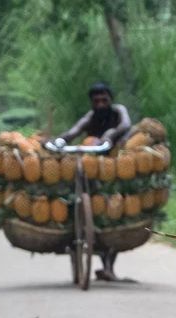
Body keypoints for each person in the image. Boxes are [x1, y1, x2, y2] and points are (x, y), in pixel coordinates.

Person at [49, 82, 136, 281]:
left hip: (113, 168)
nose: (100, 104)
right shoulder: (90, 117)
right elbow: (74, 131)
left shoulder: (118, 111)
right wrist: (60, 140)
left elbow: (125, 125)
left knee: (114, 211)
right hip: (91, 167)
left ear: (110, 99)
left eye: (104, 99)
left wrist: (110, 135)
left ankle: (108, 266)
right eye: (96, 101)